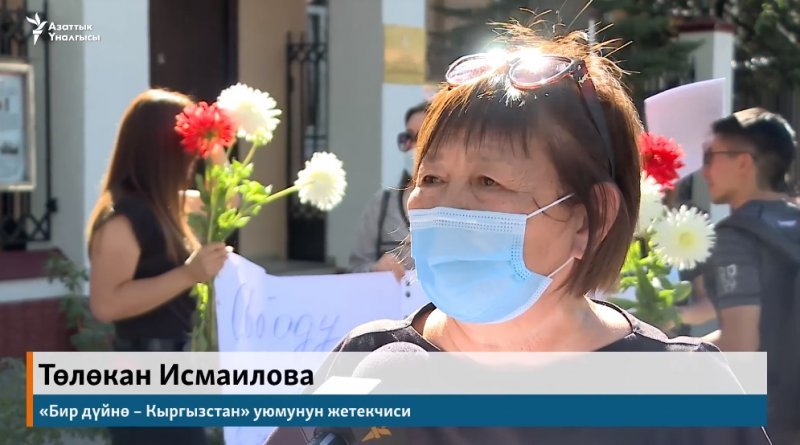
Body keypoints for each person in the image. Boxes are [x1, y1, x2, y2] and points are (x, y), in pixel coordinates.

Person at [267, 25, 769, 444]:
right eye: (431, 178)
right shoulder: (367, 363)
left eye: (489, 182)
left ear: (590, 217)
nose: (446, 208)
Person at [86, 89, 230, 445]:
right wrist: (188, 274)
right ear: (163, 150)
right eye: (188, 145)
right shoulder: (124, 219)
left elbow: (228, 200)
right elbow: (106, 304)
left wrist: (214, 142)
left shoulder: (166, 205)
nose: (193, 159)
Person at [699, 107, 800, 443]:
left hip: (768, 424)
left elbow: (740, 345)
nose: (705, 170)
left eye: (711, 156)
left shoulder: (737, 236)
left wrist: (673, 358)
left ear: (743, 162)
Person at [349, 102, 428, 280]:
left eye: (423, 136)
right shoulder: (382, 205)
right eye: (408, 137)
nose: (413, 147)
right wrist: (374, 269)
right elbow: (355, 269)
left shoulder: (459, 207)